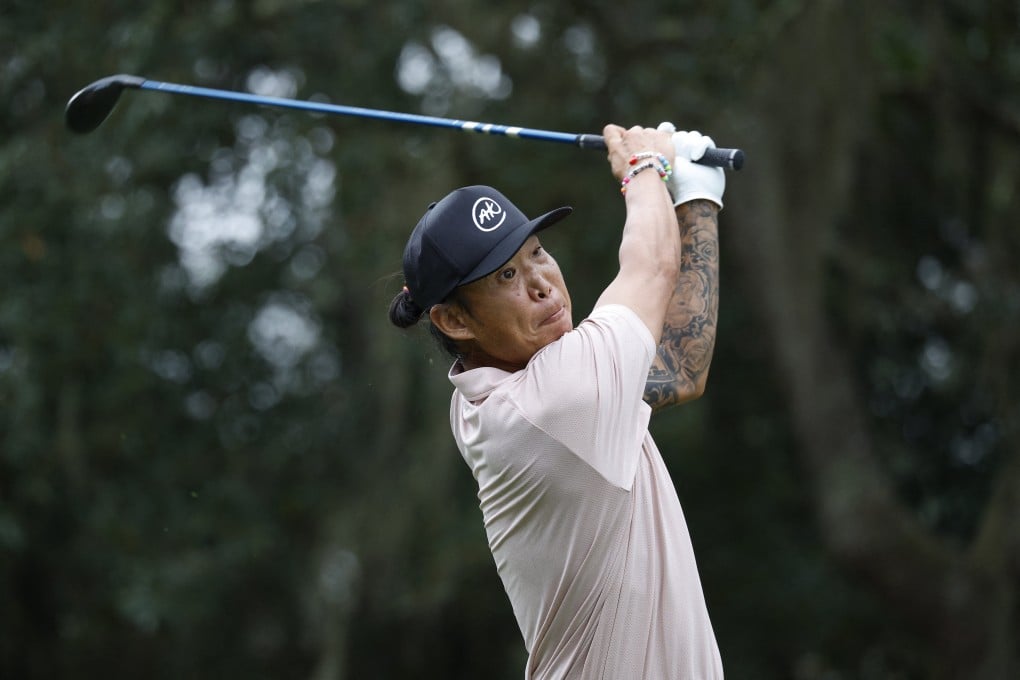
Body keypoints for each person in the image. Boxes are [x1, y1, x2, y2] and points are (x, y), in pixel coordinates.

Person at [389, 122, 725, 679]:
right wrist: (646, 168)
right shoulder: (552, 405)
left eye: (538, 253)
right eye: (506, 276)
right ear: (453, 320)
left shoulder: (504, 399)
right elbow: (654, 267)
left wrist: (698, 202)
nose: (542, 283)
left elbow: (680, 369)